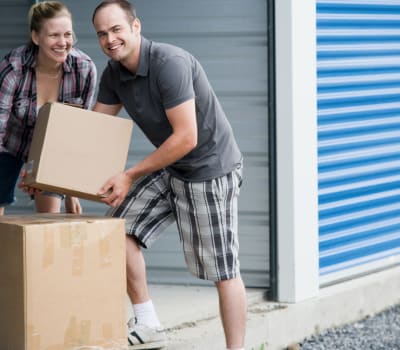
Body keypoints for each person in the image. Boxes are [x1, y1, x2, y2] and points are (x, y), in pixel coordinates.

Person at [92, 1, 246, 349]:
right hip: (172, 166)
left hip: (209, 168)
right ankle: (148, 323)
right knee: (118, 229)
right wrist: (52, 176)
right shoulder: (114, 73)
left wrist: (129, 175)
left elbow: (186, 137)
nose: (110, 39)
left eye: (116, 29)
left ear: (135, 27)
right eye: (102, 34)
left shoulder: (169, 64)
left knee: (223, 271)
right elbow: (93, 128)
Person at [0, 1, 97, 215]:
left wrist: (71, 192)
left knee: (50, 218)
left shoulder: (84, 69)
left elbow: (77, 131)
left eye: (68, 34)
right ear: (36, 37)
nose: (63, 42)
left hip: (51, 150)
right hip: (8, 144)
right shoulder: (13, 68)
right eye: (54, 35)